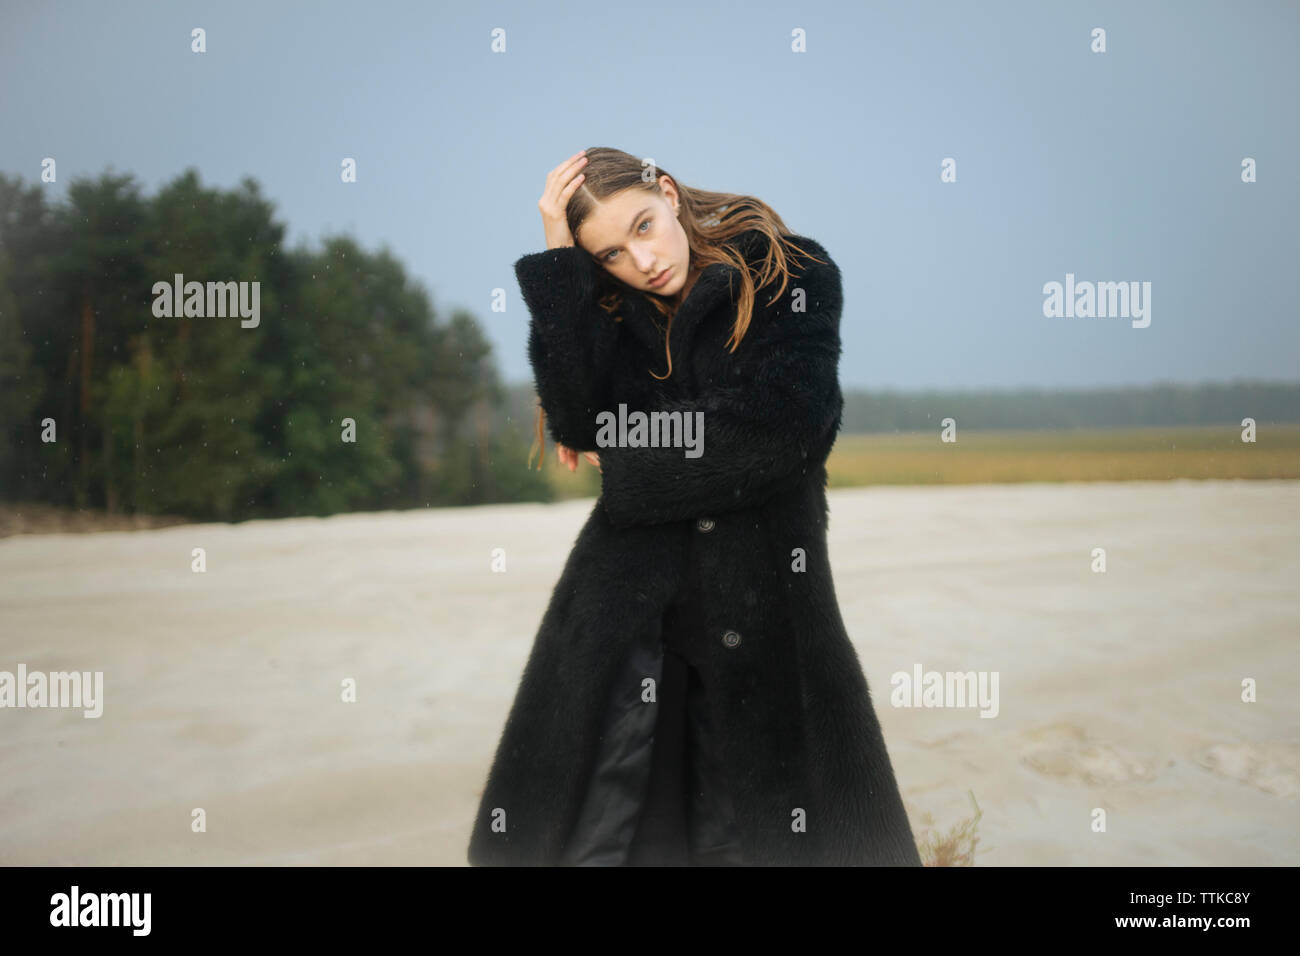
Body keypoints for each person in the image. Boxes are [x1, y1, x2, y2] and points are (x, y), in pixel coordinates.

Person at [468, 146, 922, 866]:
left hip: (766, 597)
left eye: (644, 227)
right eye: (610, 255)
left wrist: (631, 459)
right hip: (629, 605)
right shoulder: (614, 309)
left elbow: (780, 430)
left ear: (670, 194)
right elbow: (582, 421)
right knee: (602, 833)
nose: (640, 262)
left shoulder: (789, 276)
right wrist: (560, 260)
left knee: (779, 834)